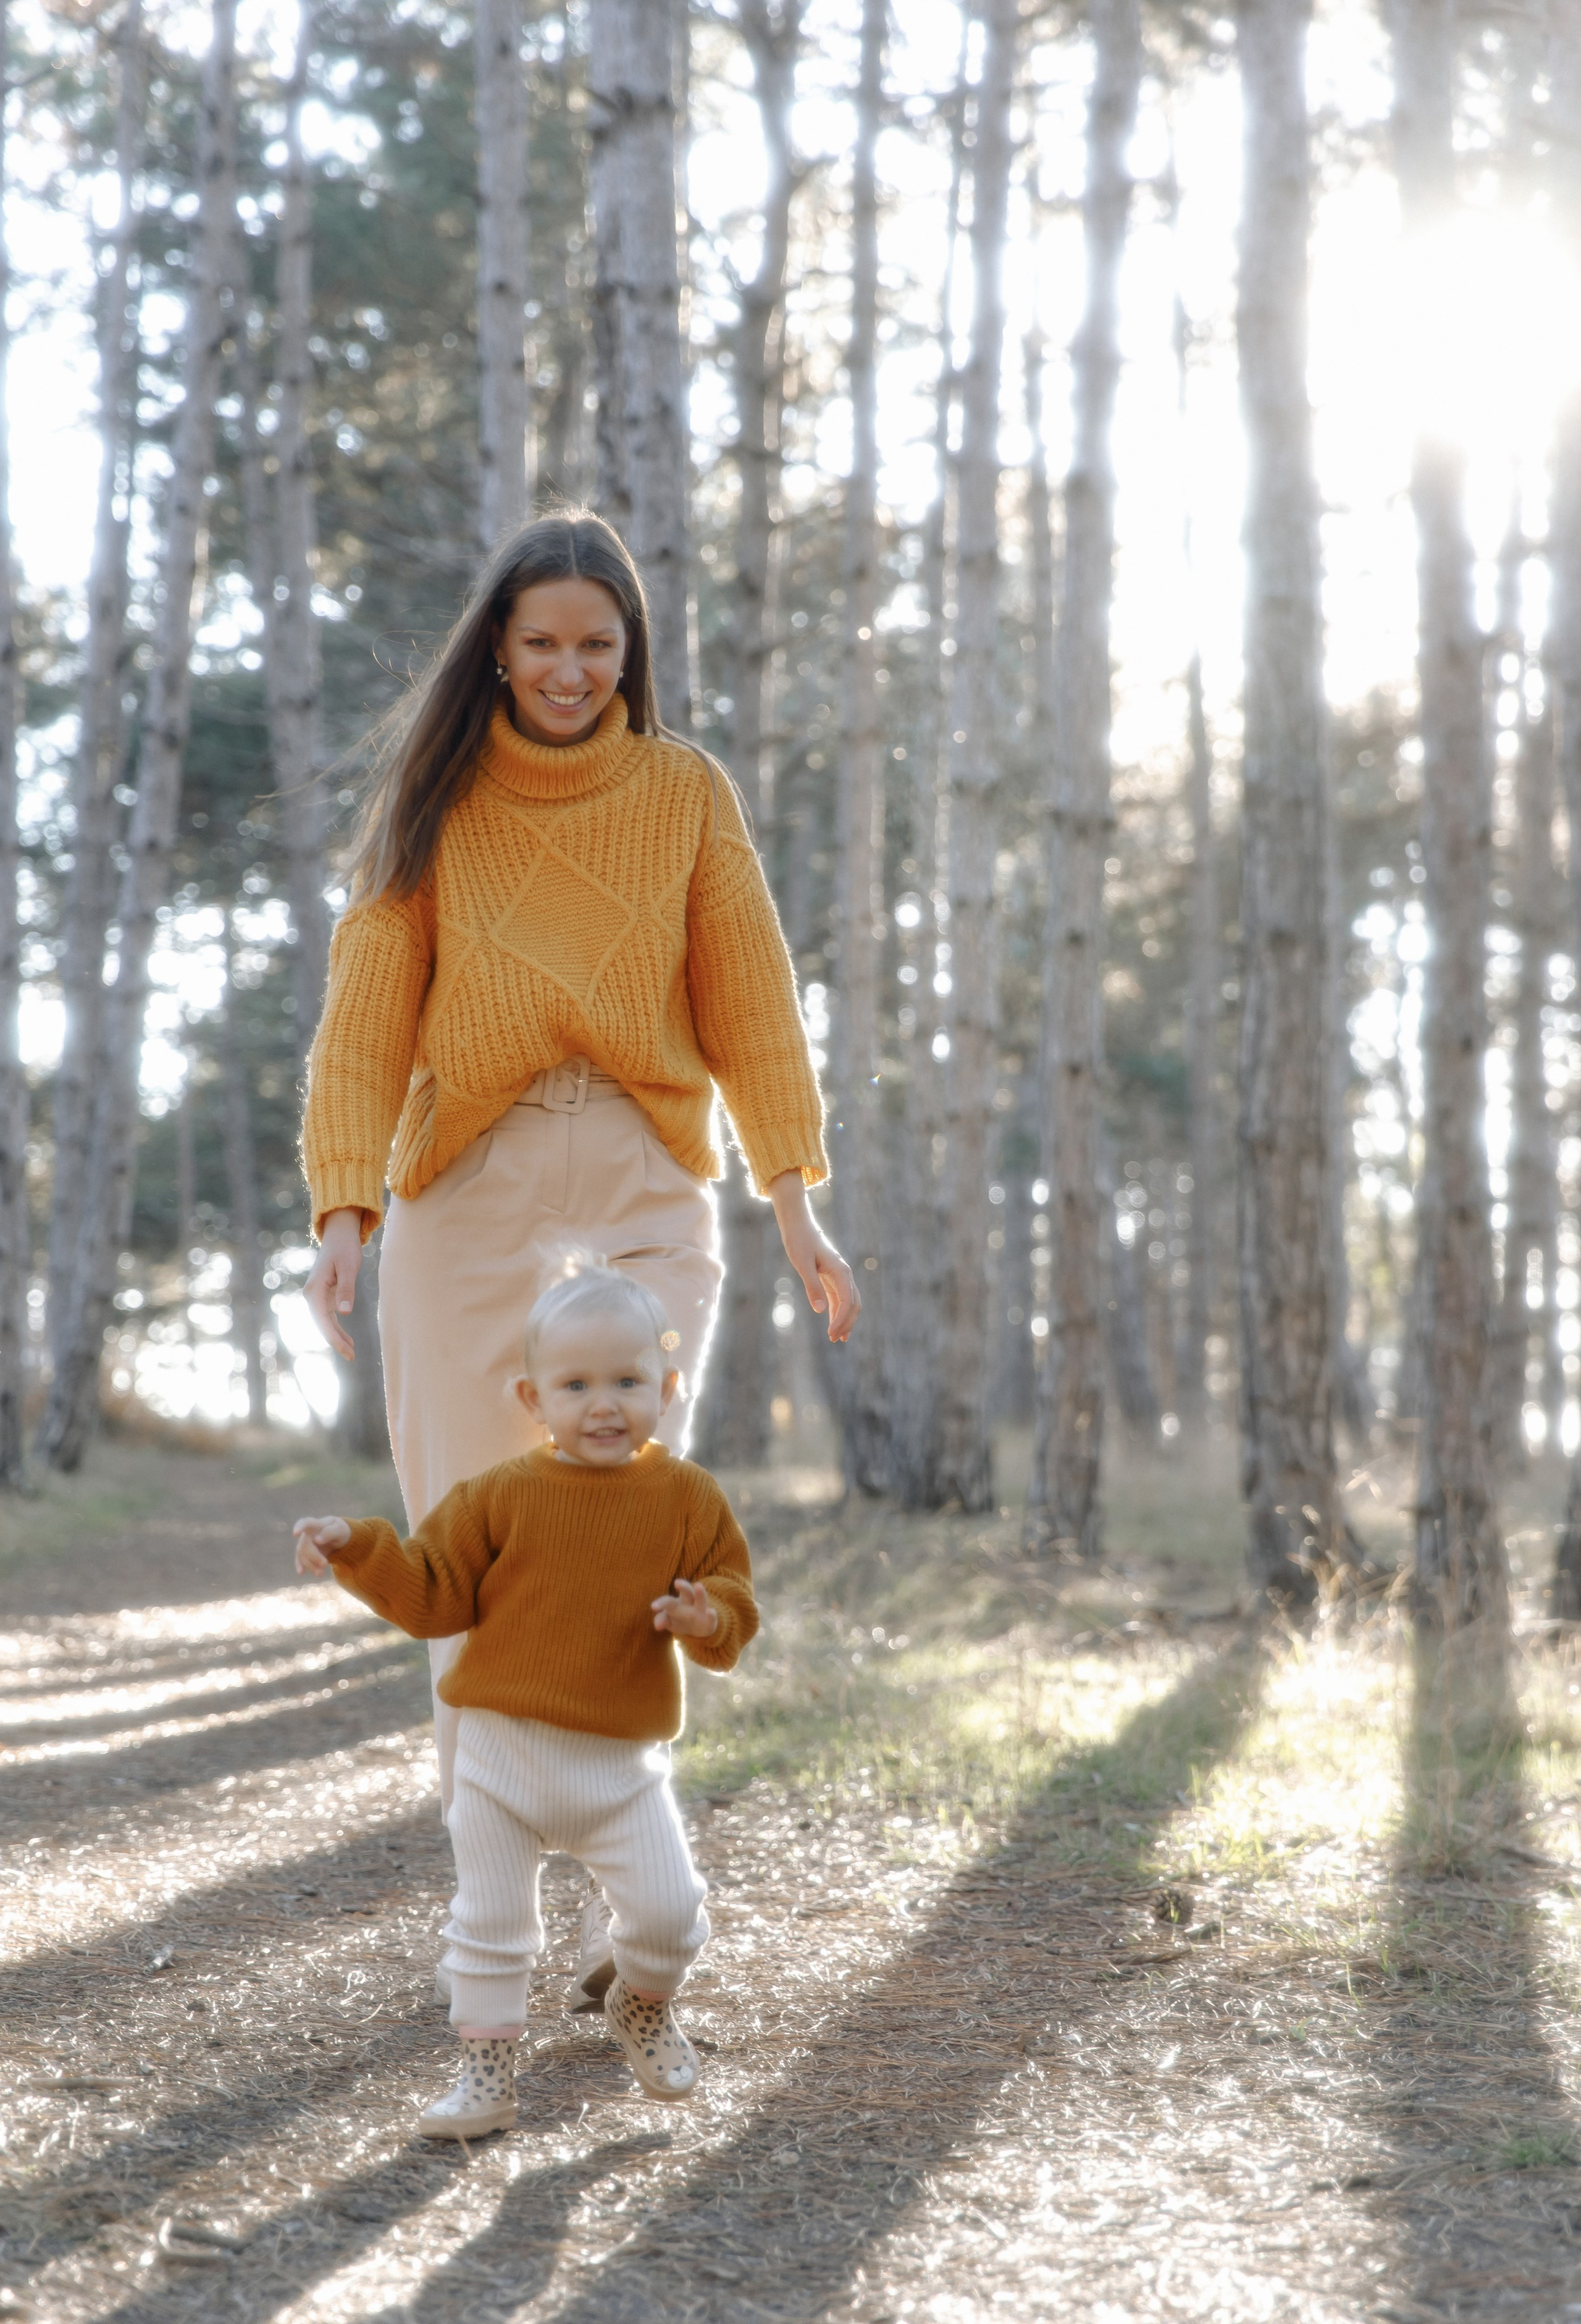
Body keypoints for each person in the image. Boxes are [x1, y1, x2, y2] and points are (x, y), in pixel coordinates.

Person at [299, 510, 857, 1987]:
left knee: (624, 1515)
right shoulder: (435, 798)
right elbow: (365, 1020)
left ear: (632, 652)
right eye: (540, 642)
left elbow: (751, 1002)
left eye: (595, 644)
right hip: (466, 1173)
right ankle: (496, 1914)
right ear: (498, 644)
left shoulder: (682, 790)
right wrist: (346, 1210)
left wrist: (794, 1198)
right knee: (466, 1545)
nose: (566, 669)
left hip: (640, 1156)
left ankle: (638, 1898)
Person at [293, 1260, 756, 2135]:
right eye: (576, 1384)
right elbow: (432, 1590)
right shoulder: (500, 1495)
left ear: (668, 1385)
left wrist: (707, 1615)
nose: (604, 1403)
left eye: (627, 1380)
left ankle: (642, 2003)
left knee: (670, 1915)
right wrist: (357, 1545)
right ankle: (487, 2074)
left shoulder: (688, 1497)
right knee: (492, 1926)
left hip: (621, 1765)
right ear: (534, 1398)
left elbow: (733, 1598)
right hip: (501, 1755)